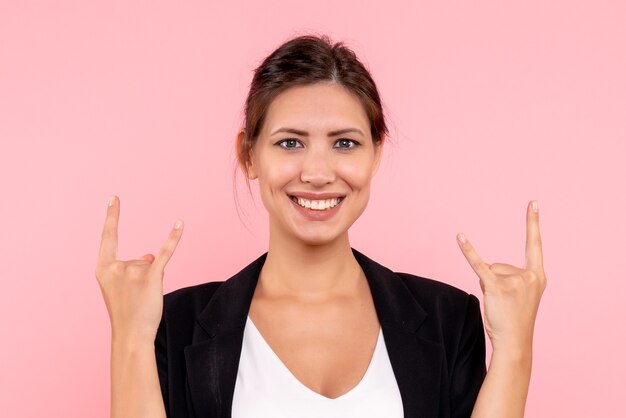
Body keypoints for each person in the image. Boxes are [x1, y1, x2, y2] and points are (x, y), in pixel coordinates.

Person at [96, 34, 547, 418]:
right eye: (289, 142)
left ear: (376, 153)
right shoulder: (176, 324)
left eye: (345, 143)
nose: (317, 171)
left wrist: (514, 350)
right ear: (248, 156)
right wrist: (131, 339)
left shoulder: (448, 318)